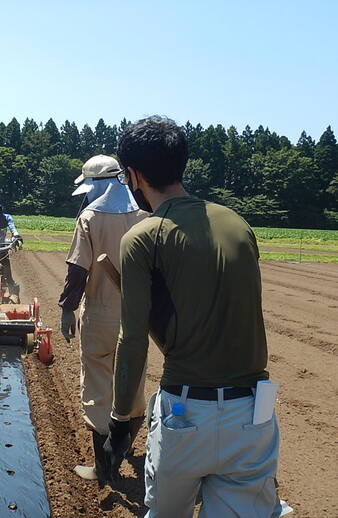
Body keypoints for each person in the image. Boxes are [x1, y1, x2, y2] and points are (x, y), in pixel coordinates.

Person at [107, 116, 281, 517]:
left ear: (133, 175)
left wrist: (119, 419)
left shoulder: (144, 237)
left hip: (186, 413)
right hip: (253, 414)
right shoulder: (237, 223)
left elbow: (131, 340)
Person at [58, 154, 149, 486]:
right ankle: (122, 451)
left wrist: (67, 309)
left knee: (97, 388)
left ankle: (103, 468)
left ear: (96, 185)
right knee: (133, 386)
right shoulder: (144, 215)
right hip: (136, 319)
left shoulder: (90, 217)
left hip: (98, 315)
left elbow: (78, 269)